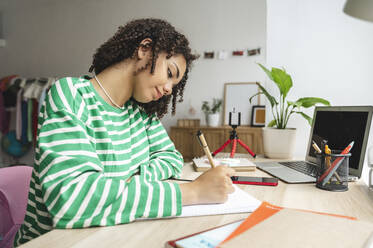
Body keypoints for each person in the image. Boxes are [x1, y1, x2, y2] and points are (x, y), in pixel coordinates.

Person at [14, 18, 235, 246]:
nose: (169, 89)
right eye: (170, 72)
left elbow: (171, 158)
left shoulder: (140, 113)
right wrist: (194, 192)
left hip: (113, 236)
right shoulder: (71, 95)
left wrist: (126, 182)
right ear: (144, 49)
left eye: (175, 84)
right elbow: (72, 201)